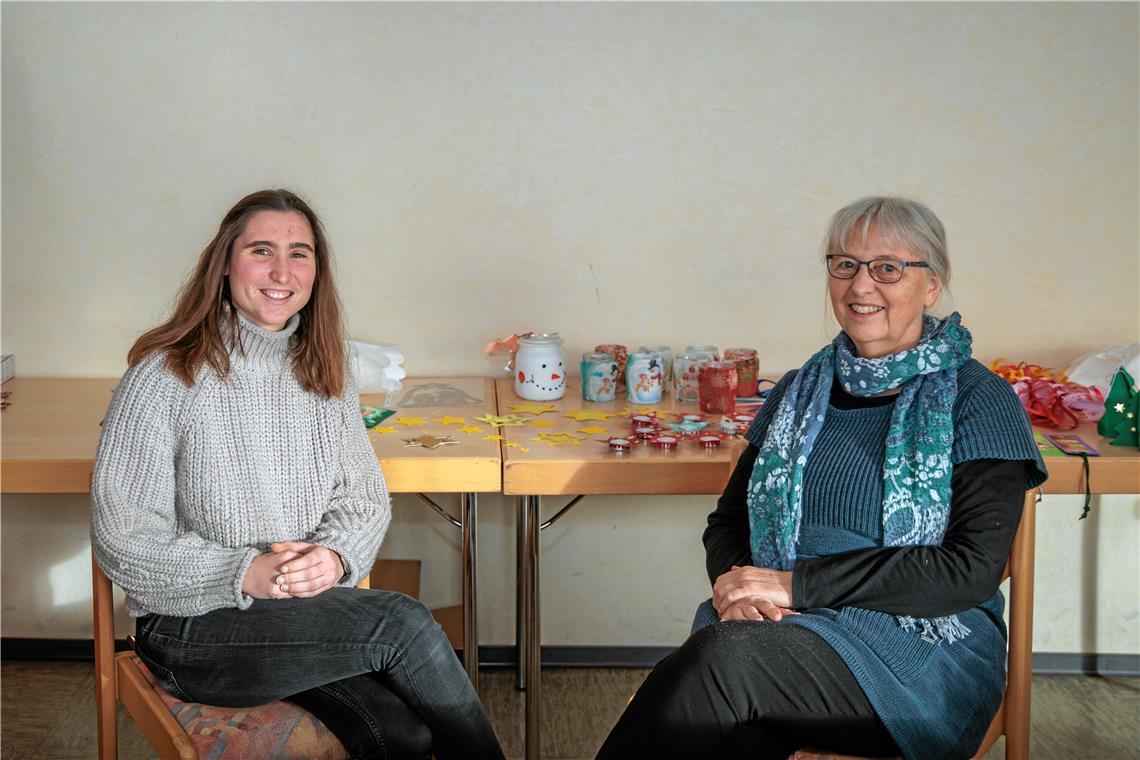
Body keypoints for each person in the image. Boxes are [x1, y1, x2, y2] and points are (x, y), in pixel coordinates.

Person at [596, 197, 1047, 760]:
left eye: (887, 267)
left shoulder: (980, 400)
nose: (861, 286)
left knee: (721, 669)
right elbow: (728, 522)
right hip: (777, 633)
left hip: (922, 650)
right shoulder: (795, 393)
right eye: (845, 265)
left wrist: (791, 585)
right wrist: (739, 589)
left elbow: (969, 572)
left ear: (931, 285)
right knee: (726, 717)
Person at [91, 189, 505, 760]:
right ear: (226, 262)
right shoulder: (163, 378)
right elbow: (122, 538)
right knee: (401, 622)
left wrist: (333, 558)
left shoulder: (322, 372)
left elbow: (364, 501)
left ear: (317, 271)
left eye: (300, 253)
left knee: (400, 735)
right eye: (262, 250)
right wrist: (246, 571)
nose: (282, 271)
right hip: (192, 628)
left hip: (295, 620)